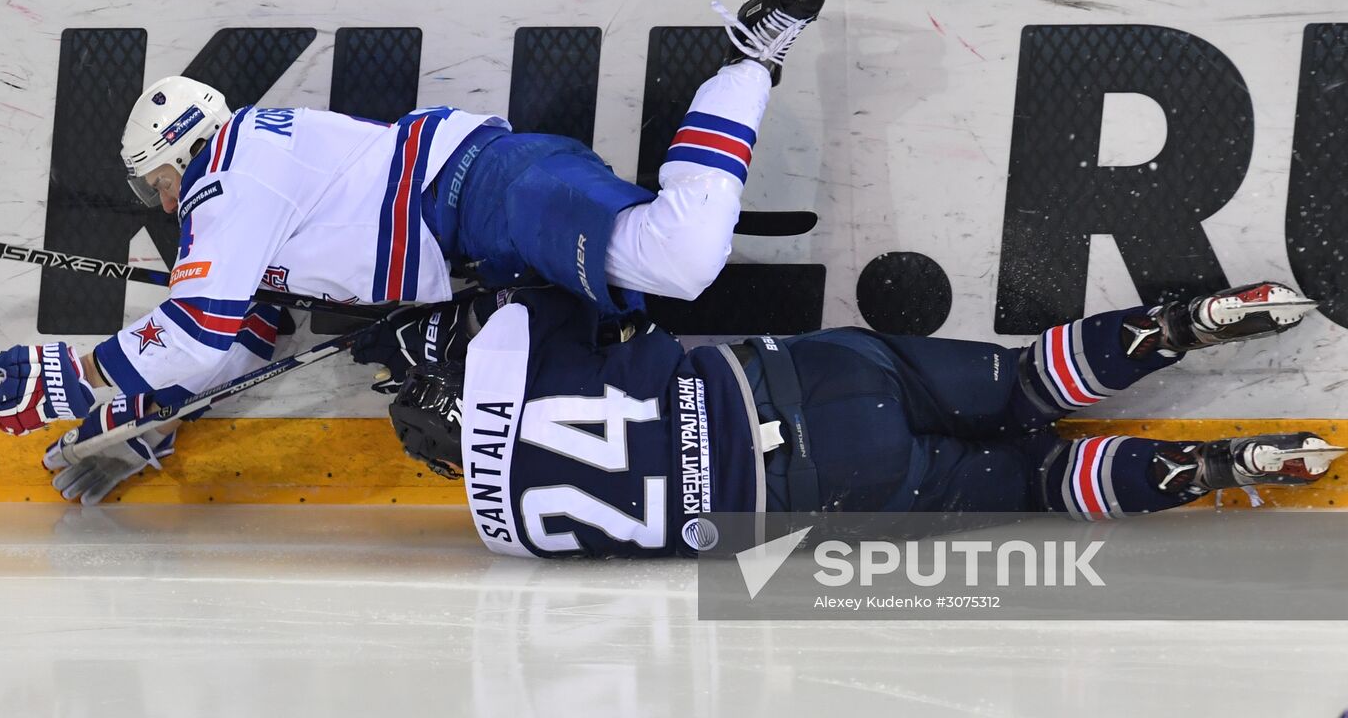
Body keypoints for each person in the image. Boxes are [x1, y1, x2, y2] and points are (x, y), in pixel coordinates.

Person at [0, 0, 827, 498]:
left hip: (487, 193)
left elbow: (195, 329)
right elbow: (250, 328)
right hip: (483, 244)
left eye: (156, 183)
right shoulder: (250, 186)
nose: (164, 204)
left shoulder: (227, 173)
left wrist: (70, 379)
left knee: (677, 256)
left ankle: (748, 60)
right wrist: (142, 421)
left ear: (179, 152)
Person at [374, 281, 1341, 558]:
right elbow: (597, 303)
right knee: (1018, 385)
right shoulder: (513, 360)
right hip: (815, 385)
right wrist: (440, 328)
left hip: (821, 499)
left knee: (1042, 485)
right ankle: (1172, 327)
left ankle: (1211, 467)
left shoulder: (509, 530)